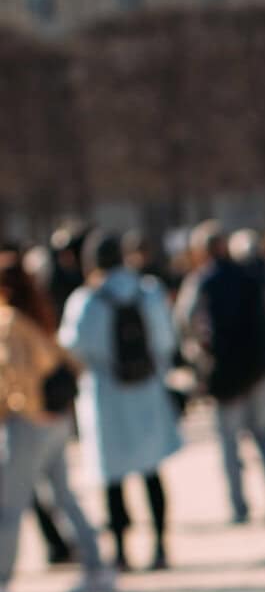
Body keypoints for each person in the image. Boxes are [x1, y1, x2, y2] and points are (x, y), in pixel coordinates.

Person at [60, 230, 180, 573]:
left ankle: (122, 552)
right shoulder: (148, 292)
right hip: (146, 391)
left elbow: (73, 348)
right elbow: (165, 340)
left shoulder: (86, 301)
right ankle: (160, 546)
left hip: (106, 396)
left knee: (113, 480)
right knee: (152, 472)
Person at [0, 252, 112, 592]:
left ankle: (1, 577)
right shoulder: (41, 315)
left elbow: (12, 375)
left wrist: (18, 408)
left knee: (9, 505)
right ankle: (96, 566)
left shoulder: (8, 322)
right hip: (56, 421)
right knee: (64, 497)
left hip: (29, 423)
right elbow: (69, 361)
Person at [174, 223, 265, 524]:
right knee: (263, 433)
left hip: (224, 372)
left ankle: (239, 506)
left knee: (229, 443)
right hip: (258, 367)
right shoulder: (249, 276)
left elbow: (184, 322)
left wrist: (198, 356)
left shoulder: (201, 282)